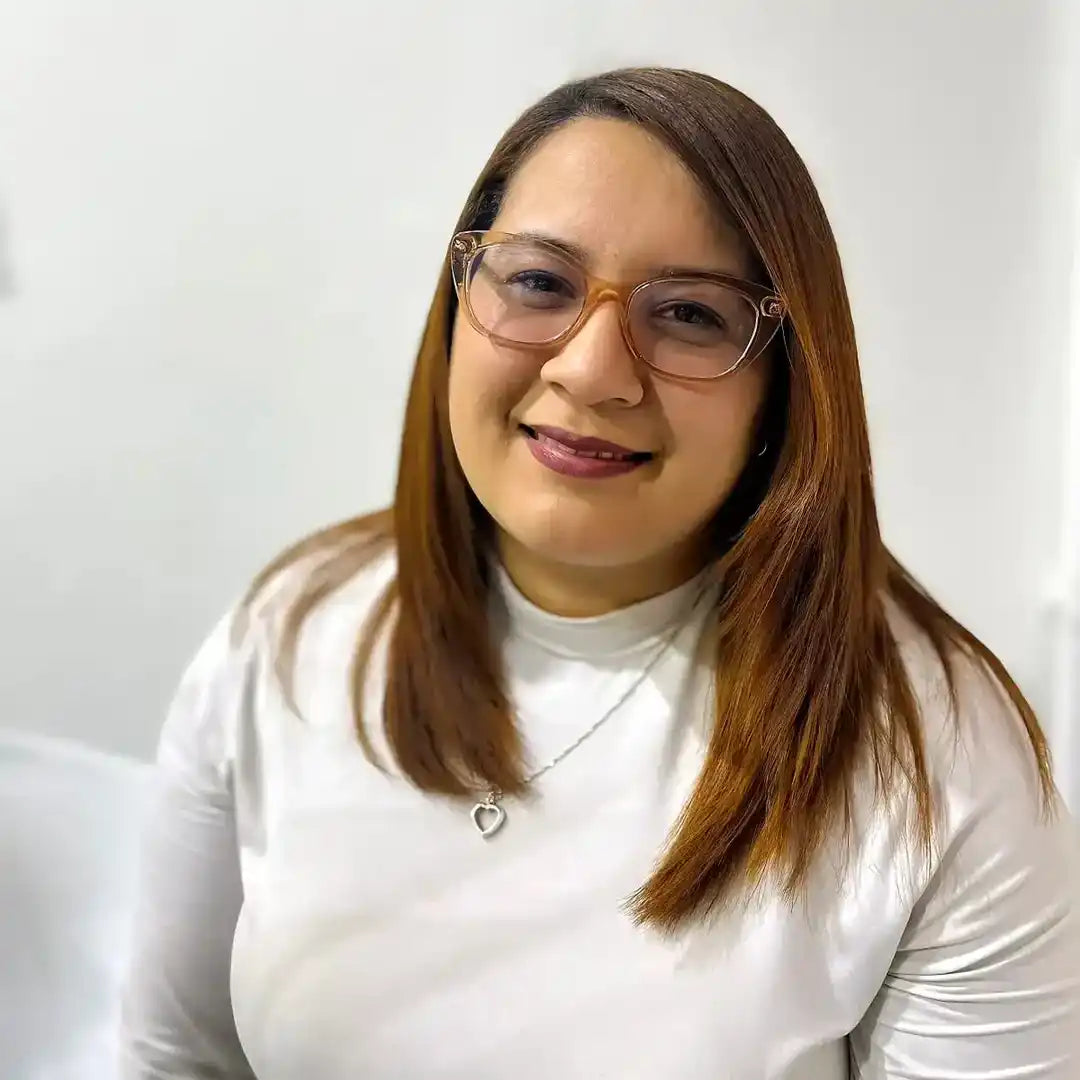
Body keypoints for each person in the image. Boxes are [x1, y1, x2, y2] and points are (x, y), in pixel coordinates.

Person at [119, 67, 1080, 1079]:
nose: (591, 368)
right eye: (539, 282)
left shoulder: (936, 761)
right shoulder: (293, 632)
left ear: (783, 388)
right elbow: (175, 1056)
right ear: (458, 304)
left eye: (691, 315)